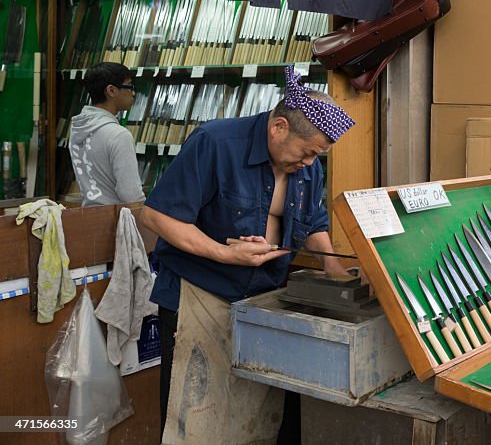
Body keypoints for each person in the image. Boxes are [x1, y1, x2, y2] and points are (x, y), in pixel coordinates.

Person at [140, 66, 355, 444]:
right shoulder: (216, 143)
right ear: (279, 128)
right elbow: (157, 215)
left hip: (263, 299)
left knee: (254, 418)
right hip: (200, 298)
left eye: (317, 156)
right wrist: (223, 253)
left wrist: (334, 268)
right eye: (307, 153)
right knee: (196, 420)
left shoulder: (308, 166)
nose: (309, 164)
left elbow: (315, 221)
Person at [69, 62, 146, 207]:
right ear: (111, 90)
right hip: (115, 221)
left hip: (88, 218)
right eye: (129, 86)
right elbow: (130, 193)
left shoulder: (77, 129)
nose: (133, 93)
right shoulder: (118, 135)